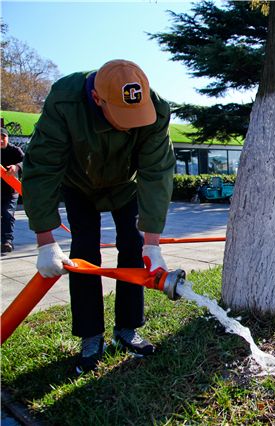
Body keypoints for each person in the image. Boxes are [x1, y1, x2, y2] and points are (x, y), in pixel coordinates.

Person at [22, 60, 176, 374]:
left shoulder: (157, 109)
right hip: (78, 185)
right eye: (123, 117)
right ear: (96, 98)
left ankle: (127, 330)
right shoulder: (64, 101)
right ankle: (91, 336)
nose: (131, 126)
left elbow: (157, 173)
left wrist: (153, 244)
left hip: (125, 186)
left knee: (133, 247)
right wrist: (45, 241)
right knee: (84, 252)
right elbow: (42, 167)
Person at [1, 127, 24, 253]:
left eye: (3, 137)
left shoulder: (15, 151)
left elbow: (25, 161)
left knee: (7, 213)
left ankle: (7, 241)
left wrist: (16, 167)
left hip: (11, 190)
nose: (1, 140)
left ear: (7, 138)